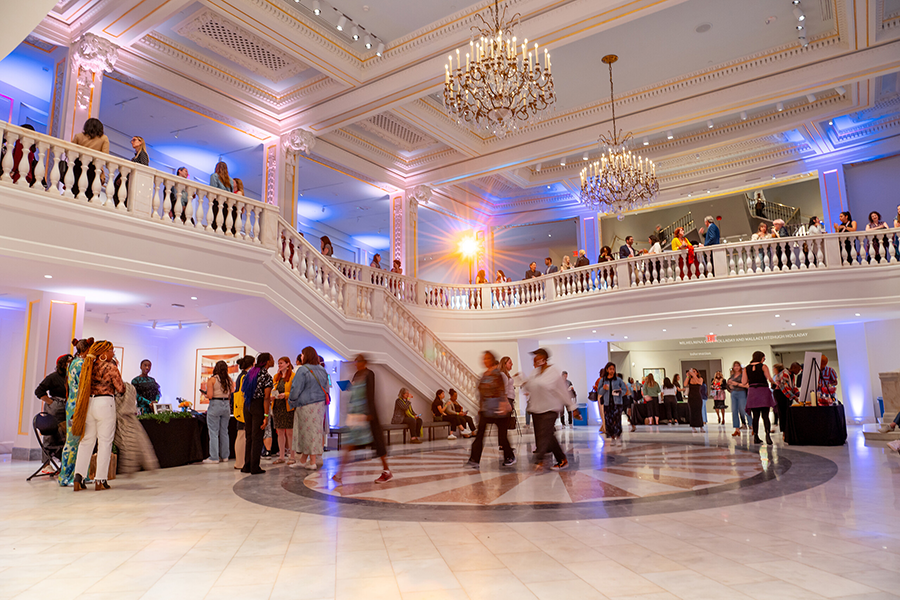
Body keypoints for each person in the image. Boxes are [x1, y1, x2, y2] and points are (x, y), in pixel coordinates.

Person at [72, 340, 124, 491]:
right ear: (103, 353)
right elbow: (120, 388)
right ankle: (100, 479)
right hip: (105, 403)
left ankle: (78, 477)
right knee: (105, 442)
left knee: (86, 441)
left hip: (89, 405)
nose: (113, 353)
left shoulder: (88, 365)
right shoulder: (110, 367)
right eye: (111, 350)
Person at [333, 354, 393, 484]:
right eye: (355, 361)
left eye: (358, 361)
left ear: (364, 362)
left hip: (367, 416)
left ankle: (386, 471)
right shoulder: (356, 375)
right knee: (349, 443)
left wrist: (369, 415)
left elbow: (370, 394)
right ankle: (340, 473)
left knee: (377, 444)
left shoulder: (369, 374)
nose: (355, 364)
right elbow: (355, 393)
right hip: (356, 416)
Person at [520, 348, 577, 470]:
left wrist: (573, 407)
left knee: (545, 434)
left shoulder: (553, 372)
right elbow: (529, 387)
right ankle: (562, 459)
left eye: (537, 358)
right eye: (534, 359)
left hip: (550, 409)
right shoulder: (534, 373)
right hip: (537, 409)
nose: (534, 361)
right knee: (549, 436)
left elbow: (563, 392)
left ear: (544, 359)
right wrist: (523, 381)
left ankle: (538, 459)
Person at [466, 351, 515, 468]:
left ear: (492, 359)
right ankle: (474, 459)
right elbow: (481, 392)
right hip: (486, 410)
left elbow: (502, 391)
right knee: (480, 435)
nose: (485, 361)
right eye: (484, 359)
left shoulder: (498, 374)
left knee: (502, 436)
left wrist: (504, 405)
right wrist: (480, 406)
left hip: (498, 409)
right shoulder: (484, 375)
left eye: (487, 358)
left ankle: (509, 456)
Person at [288, 346, 329, 470]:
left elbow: (296, 389)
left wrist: (291, 401)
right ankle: (303, 460)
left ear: (306, 355)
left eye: (302, 354)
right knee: (315, 432)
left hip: (305, 405)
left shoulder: (303, 370)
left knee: (305, 433)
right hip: (320, 405)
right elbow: (326, 387)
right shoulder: (322, 370)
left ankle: (312, 462)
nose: (300, 356)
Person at [58, 338, 92, 486]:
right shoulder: (80, 364)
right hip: (77, 407)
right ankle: (66, 477)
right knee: (73, 442)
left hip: (75, 405)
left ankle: (80, 474)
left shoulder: (74, 363)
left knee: (79, 441)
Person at [241, 353, 274, 475]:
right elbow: (266, 398)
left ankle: (247, 465)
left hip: (247, 405)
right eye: (271, 359)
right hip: (258, 406)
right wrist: (266, 416)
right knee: (257, 437)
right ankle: (255, 467)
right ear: (267, 362)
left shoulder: (251, 373)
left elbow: (244, 390)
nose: (273, 361)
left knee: (249, 436)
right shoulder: (267, 376)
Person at [202, 360, 234, 464]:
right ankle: (225, 456)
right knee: (224, 432)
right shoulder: (229, 380)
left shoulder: (212, 380)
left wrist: (205, 394)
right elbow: (230, 393)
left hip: (215, 405)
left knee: (213, 432)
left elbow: (210, 396)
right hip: (226, 405)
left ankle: (214, 457)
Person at [69, 118, 110, 199]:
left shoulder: (78, 136)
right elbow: (105, 156)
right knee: (91, 193)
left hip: (78, 165)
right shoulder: (104, 139)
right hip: (94, 167)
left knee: (76, 190)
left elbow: (71, 152)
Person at [742, 351, 776, 444]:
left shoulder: (746, 368)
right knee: (765, 415)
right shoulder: (763, 366)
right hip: (763, 391)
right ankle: (768, 436)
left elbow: (744, 382)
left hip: (753, 392)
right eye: (764, 358)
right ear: (761, 358)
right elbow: (769, 378)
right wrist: (775, 384)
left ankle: (756, 436)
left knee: (755, 416)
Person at [269, 357, 296, 465]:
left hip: (288, 406)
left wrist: (286, 395)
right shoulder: (276, 377)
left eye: (281, 363)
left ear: (287, 364)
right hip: (278, 407)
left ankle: (292, 456)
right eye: (278, 363)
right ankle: (281, 456)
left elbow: (295, 392)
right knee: (279, 432)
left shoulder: (293, 376)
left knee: (290, 432)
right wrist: (272, 396)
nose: (279, 365)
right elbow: (273, 389)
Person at [595, 362, 627, 444]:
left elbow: (624, 389)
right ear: (607, 370)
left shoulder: (618, 380)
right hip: (607, 403)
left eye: (613, 369)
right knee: (608, 419)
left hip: (617, 402)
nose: (612, 371)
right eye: (610, 369)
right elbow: (599, 391)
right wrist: (604, 388)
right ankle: (612, 436)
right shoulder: (603, 380)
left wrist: (620, 392)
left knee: (617, 419)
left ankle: (618, 435)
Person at [232, 355, 254, 471]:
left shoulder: (241, 375)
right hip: (243, 407)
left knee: (241, 434)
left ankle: (240, 461)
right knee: (241, 434)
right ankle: (240, 461)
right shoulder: (245, 376)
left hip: (239, 407)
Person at [35, 354, 71, 424]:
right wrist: (52, 403)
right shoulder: (53, 377)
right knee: (53, 430)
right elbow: (39, 391)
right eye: (69, 362)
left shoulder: (71, 377)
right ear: (63, 364)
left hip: (68, 407)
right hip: (57, 407)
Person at [772, 363, 798, 435]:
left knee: (787, 412)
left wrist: (797, 394)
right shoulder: (784, 373)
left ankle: (787, 430)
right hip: (780, 393)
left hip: (785, 393)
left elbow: (793, 386)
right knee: (783, 413)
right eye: (798, 370)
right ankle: (784, 431)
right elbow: (784, 387)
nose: (799, 372)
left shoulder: (791, 375)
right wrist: (793, 396)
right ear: (794, 368)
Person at [727, 361, 748, 436]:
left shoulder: (743, 375)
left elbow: (746, 384)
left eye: (737, 366)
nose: (736, 367)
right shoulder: (732, 376)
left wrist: (736, 384)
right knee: (734, 410)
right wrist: (730, 386)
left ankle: (751, 426)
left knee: (743, 409)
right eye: (735, 366)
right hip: (733, 393)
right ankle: (736, 428)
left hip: (741, 392)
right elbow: (728, 386)